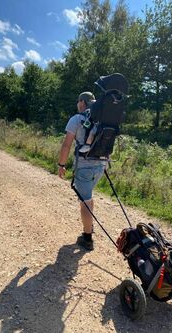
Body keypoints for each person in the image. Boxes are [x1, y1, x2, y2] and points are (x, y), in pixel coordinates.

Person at [58, 91, 107, 251]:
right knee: (88, 197)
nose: (77, 104)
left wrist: (61, 164)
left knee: (84, 202)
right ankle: (89, 226)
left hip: (85, 166)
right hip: (101, 165)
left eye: (78, 101)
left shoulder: (77, 119)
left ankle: (87, 238)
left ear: (82, 102)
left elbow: (66, 145)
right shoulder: (101, 119)